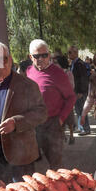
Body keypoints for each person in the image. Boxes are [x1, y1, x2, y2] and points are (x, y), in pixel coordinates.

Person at [0, 42, 47, 184]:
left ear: (9, 59)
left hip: (20, 157)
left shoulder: (27, 85)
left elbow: (41, 113)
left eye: (1, 60)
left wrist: (16, 122)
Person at [26, 39, 76, 171]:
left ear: (49, 55)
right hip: (33, 125)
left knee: (56, 164)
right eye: (37, 56)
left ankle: (59, 190)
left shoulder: (58, 73)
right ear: (30, 57)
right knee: (30, 163)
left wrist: (60, 119)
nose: (41, 59)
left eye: (45, 55)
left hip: (52, 125)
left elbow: (71, 98)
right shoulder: (28, 72)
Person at [53, 54, 76, 145]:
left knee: (69, 120)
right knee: (60, 119)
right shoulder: (55, 73)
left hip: (67, 101)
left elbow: (72, 86)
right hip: (58, 101)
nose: (53, 64)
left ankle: (71, 135)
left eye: (55, 63)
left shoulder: (68, 73)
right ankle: (62, 135)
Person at [68, 45, 90, 136]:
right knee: (78, 110)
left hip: (80, 92)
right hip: (75, 91)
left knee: (82, 110)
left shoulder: (79, 64)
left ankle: (86, 128)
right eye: (68, 52)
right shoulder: (74, 63)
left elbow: (83, 79)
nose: (68, 54)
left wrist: (81, 91)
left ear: (76, 53)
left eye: (70, 52)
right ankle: (81, 127)